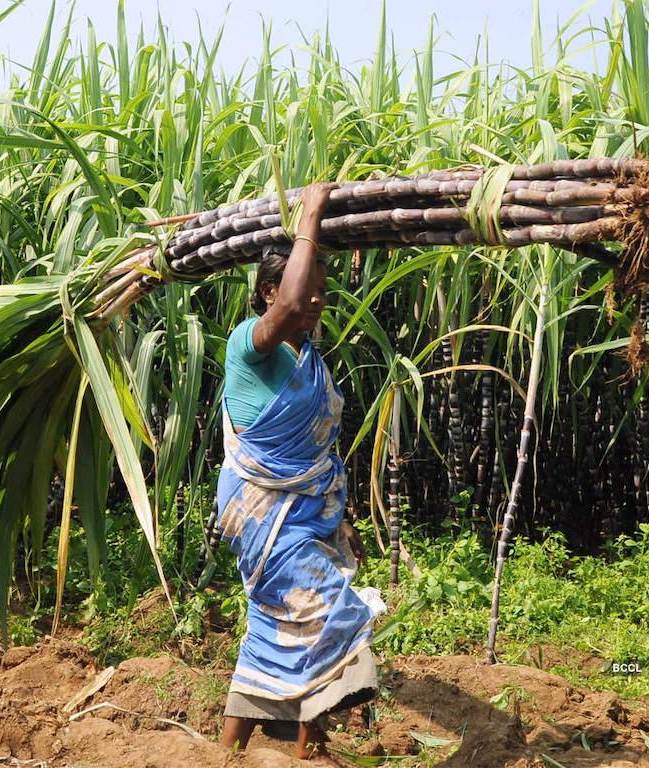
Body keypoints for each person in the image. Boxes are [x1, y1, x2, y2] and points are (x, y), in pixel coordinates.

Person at [216, 182, 378, 764]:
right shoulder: (250, 345)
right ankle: (311, 748)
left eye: (321, 294)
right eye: (305, 292)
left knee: (271, 623)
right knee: (331, 610)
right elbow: (285, 311)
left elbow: (318, 454)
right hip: (262, 508)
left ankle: (226, 751)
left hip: (301, 511)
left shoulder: (307, 360)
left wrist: (343, 517)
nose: (313, 304)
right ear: (268, 292)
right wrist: (311, 211)